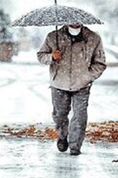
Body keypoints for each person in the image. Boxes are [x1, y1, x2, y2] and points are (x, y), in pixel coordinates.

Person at [37, 23, 107, 156]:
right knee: (60, 114)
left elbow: (100, 63)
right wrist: (51, 57)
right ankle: (62, 135)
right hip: (59, 83)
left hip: (82, 84)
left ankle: (75, 146)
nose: (74, 23)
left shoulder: (93, 38)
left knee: (80, 116)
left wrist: (88, 76)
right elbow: (41, 55)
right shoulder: (53, 36)